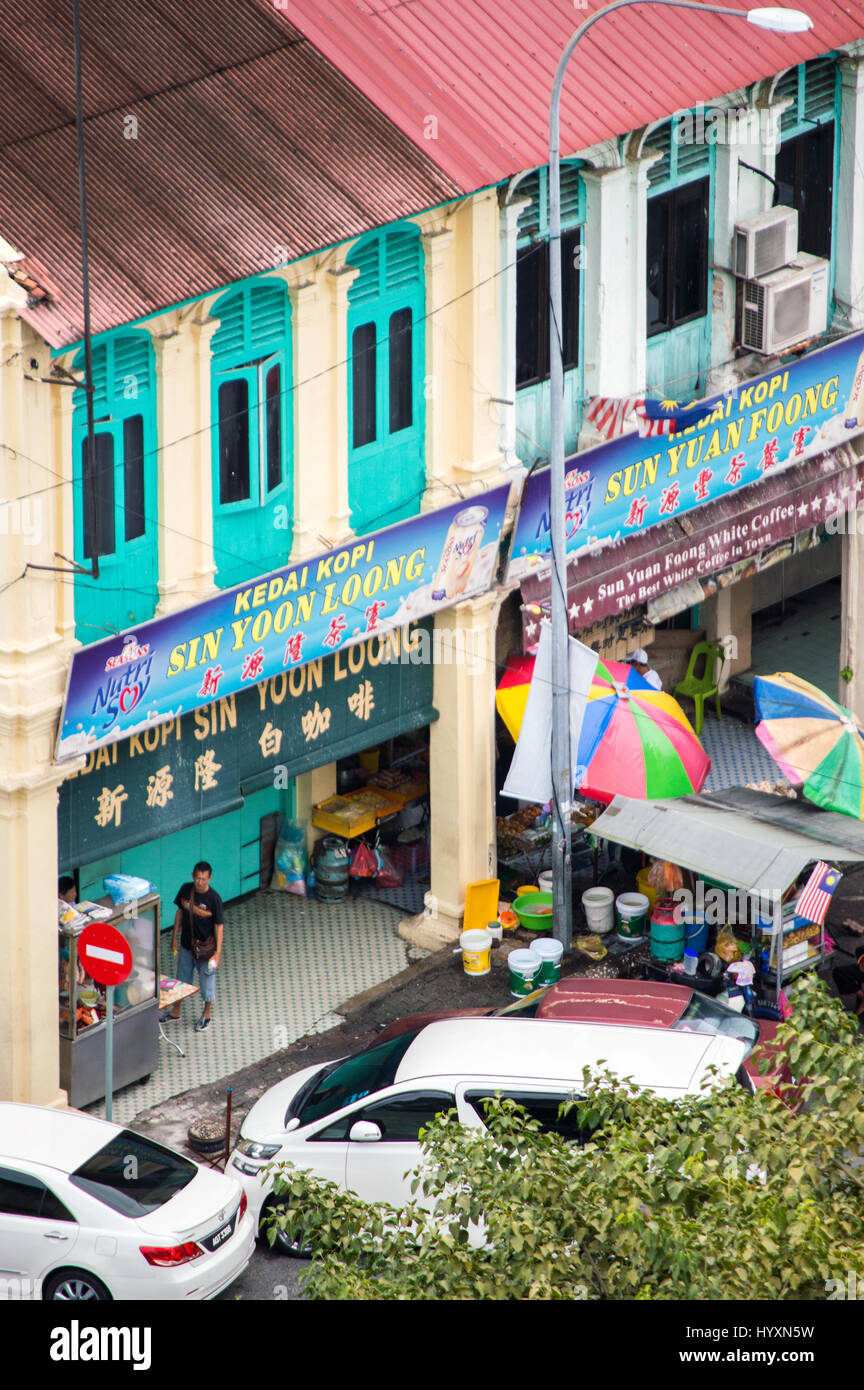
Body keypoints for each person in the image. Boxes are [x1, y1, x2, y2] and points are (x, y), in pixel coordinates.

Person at [165, 861, 224, 1032]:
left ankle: (206, 1014)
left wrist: (217, 953)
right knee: (181, 979)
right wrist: (174, 936)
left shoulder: (214, 899)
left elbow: (219, 926)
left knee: (207, 981)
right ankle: (176, 1011)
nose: (200, 882)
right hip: (186, 945)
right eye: (197, 878)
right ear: (192, 876)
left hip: (205, 949)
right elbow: (179, 913)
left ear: (209, 879)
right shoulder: (185, 890)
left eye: (203, 879)